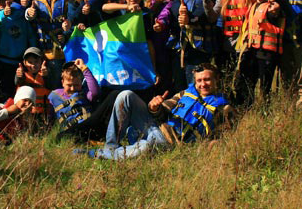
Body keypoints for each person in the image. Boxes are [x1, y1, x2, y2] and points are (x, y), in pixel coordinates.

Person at [82, 63, 232, 159]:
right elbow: (162, 111)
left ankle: (95, 154)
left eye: (207, 80)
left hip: (169, 144)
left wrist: (210, 146)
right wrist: (155, 107)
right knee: (125, 95)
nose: (202, 84)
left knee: (146, 146)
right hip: (154, 127)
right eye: (199, 81)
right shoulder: (185, 93)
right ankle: (111, 145)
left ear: (216, 80)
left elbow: (223, 137)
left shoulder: (223, 108)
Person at [236, 0, 286, 106]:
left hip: (267, 54)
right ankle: (246, 109)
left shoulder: (272, 7)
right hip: (253, 51)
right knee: (246, 83)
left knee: (265, 88)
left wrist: (276, 2)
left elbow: (276, 14)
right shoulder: (253, 5)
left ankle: (265, 112)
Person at [49, 59, 122, 142]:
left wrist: (84, 69)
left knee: (114, 94)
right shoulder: (54, 96)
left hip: (90, 125)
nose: (73, 88)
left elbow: (95, 93)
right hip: (72, 130)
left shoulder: (85, 93)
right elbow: (50, 116)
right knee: (59, 138)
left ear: (81, 82)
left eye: (76, 85)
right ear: (62, 82)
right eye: (69, 85)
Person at [26, 0, 75, 87]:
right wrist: (29, 13)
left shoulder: (65, 0)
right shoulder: (35, 3)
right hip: (43, 52)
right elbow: (29, 16)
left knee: (62, 83)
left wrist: (66, 32)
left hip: (62, 52)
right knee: (46, 83)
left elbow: (72, 22)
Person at [0, 0, 38, 99]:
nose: (4, 4)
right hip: (13, 59)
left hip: (12, 60)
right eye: (0, 1)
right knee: (14, 89)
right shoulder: (2, 18)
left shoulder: (7, 18)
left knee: (9, 90)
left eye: (5, 1)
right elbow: (31, 38)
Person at [178, 0, 219, 82]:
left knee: (203, 81)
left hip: (205, 46)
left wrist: (188, 19)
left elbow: (207, 17)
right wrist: (181, 14)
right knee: (190, 82)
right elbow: (175, 10)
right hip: (188, 47)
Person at [144, 0, 177, 96]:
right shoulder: (149, 3)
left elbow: (166, 14)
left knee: (164, 77)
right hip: (152, 46)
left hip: (163, 45)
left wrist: (161, 24)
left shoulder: (169, 2)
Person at [14, 47, 53, 121]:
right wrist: (19, 76)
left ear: (42, 61)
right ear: (24, 63)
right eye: (30, 62)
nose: (33, 65)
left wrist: (46, 76)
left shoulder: (47, 74)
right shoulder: (21, 74)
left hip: (42, 114)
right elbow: (18, 82)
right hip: (25, 112)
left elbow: (51, 85)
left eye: (36, 62)